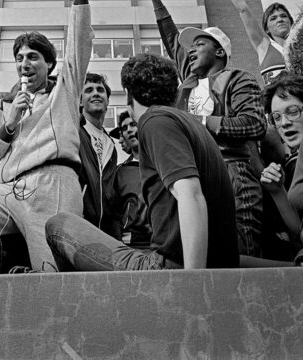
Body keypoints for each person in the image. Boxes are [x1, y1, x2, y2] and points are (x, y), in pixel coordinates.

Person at [45, 53, 239, 271]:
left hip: (172, 268)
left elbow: (190, 194)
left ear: (128, 95)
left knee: (58, 224)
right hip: (216, 262)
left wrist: (193, 283)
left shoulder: (155, 121)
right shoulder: (191, 124)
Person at [0, 0, 93, 272]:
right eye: (20, 57)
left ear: (49, 63)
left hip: (52, 184)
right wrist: (9, 124)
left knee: (49, 274)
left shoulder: (65, 91)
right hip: (5, 190)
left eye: (33, 57)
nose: (24, 63)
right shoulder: (1, 107)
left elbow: (80, 43)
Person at [140, 0, 266, 257]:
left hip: (233, 175)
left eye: (200, 44)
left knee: (239, 259)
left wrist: (196, 123)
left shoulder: (238, 79)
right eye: (191, 47)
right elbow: (171, 38)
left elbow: (253, 123)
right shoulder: (189, 77)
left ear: (219, 52)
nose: (191, 50)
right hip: (194, 177)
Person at [205, 0, 293, 85]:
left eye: (284, 16)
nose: (280, 19)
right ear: (266, 29)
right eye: (273, 18)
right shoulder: (264, 46)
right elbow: (243, 9)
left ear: (291, 21)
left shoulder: (299, 46)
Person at [260, 73, 303, 255]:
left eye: (293, 112)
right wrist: (277, 191)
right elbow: (299, 231)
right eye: (277, 117)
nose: (284, 123)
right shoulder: (297, 158)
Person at [78, 73, 119, 236]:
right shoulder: (74, 131)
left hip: (106, 233)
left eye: (100, 90)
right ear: (80, 101)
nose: (96, 93)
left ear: (108, 100)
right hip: (78, 225)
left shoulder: (111, 145)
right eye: (88, 90)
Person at [113, 111, 152, 248]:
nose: (129, 130)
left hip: (166, 245)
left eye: (133, 124)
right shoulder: (119, 173)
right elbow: (113, 214)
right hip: (133, 246)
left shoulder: (163, 165)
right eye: (124, 128)